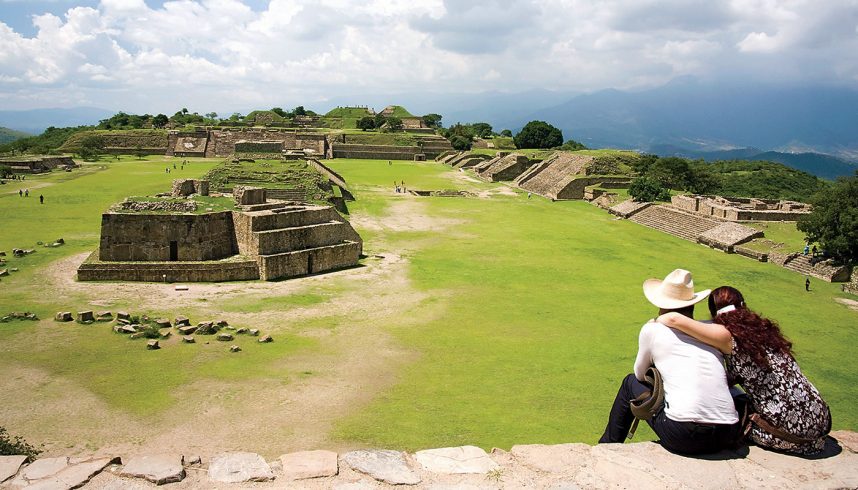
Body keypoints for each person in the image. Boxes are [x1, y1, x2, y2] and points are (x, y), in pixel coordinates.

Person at [657, 286, 831, 455]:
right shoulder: (762, 331)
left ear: (713, 312)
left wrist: (655, 323)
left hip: (791, 432)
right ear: (743, 304)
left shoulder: (728, 336)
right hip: (819, 418)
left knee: (729, 411)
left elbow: (673, 319)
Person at [599, 269, 739, 455]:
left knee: (629, 382)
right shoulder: (712, 330)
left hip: (684, 435)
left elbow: (641, 374)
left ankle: (607, 447)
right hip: (728, 433)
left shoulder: (653, 329)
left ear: (661, 305)